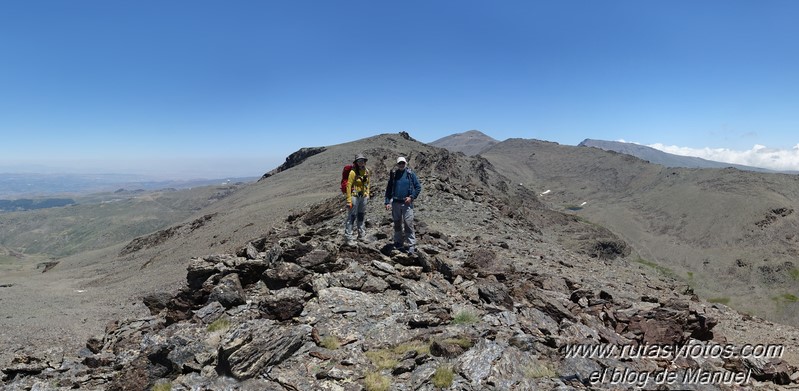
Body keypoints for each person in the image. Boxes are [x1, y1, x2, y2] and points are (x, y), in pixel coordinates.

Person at [384, 156, 422, 254]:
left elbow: (418, 187)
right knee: (397, 223)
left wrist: (411, 197)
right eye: (399, 163)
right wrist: (387, 201)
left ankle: (411, 245)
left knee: (408, 223)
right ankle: (398, 242)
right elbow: (389, 188)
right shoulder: (394, 175)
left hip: (406, 203)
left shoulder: (410, 174)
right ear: (397, 164)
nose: (401, 165)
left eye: (403, 163)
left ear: (405, 163)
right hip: (396, 203)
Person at [345, 154, 370, 245]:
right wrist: (348, 200)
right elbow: (348, 186)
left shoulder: (366, 171)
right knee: (352, 217)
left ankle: (361, 236)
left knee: (361, 215)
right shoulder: (353, 172)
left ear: (365, 161)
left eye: (362, 160)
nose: (361, 162)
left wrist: (367, 193)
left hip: (363, 197)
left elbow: (367, 183)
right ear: (356, 162)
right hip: (354, 196)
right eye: (359, 161)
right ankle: (348, 237)